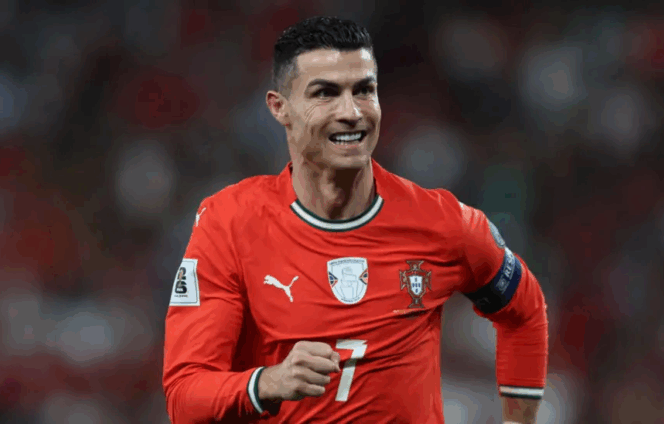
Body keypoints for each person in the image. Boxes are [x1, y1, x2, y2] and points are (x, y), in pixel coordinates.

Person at [163, 16, 548, 424]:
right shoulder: (229, 223)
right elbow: (185, 397)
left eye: (364, 90)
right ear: (280, 108)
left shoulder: (444, 222)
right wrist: (266, 383)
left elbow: (525, 311)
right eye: (325, 93)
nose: (351, 112)